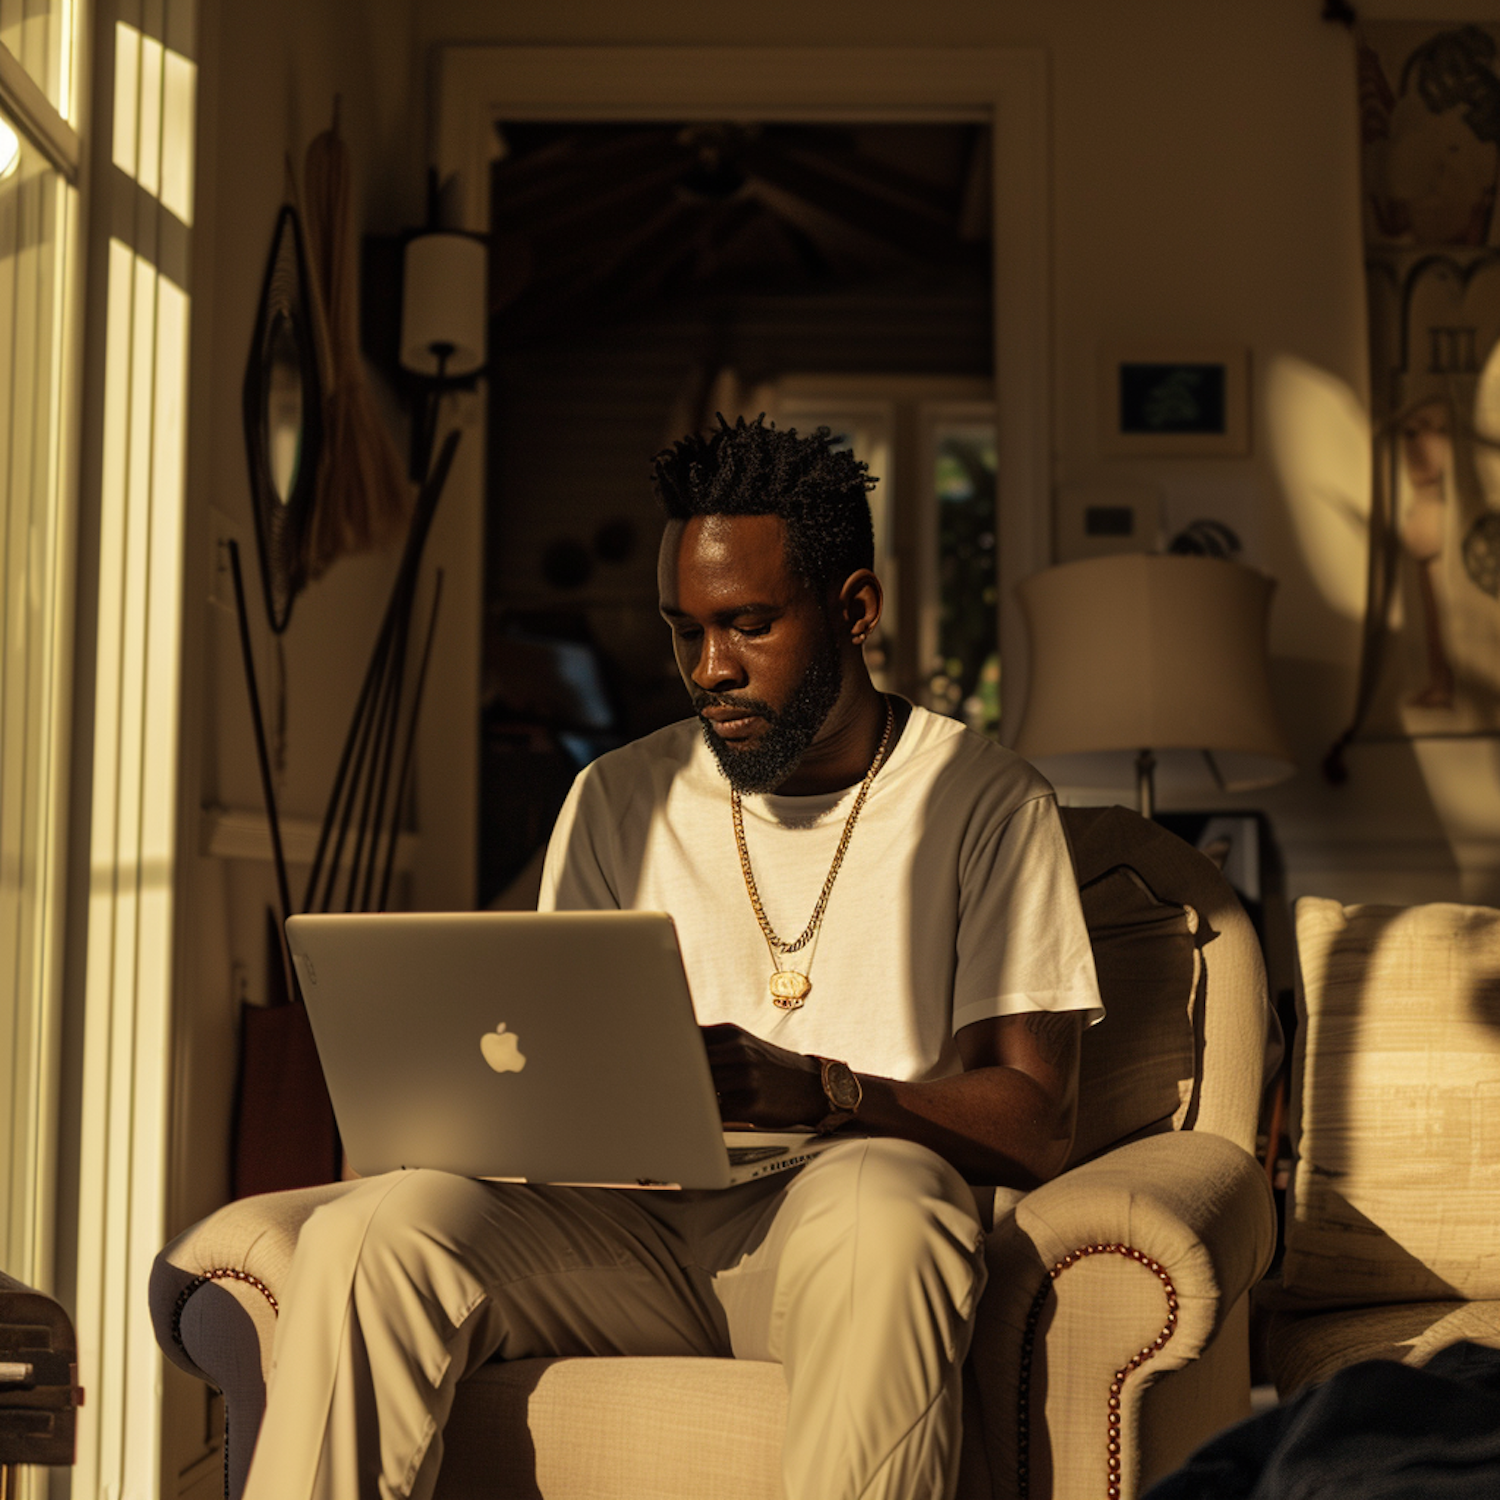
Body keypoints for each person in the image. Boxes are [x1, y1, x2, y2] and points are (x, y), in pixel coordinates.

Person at [242, 416, 1102, 1500]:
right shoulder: (618, 795)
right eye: (683, 631)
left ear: (855, 609)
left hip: (833, 1217)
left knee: (892, 1205)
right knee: (368, 1232)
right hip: (626, 1231)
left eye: (749, 625)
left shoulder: (985, 802)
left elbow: (1036, 1121)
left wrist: (826, 1091)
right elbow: (544, 1066)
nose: (710, 669)